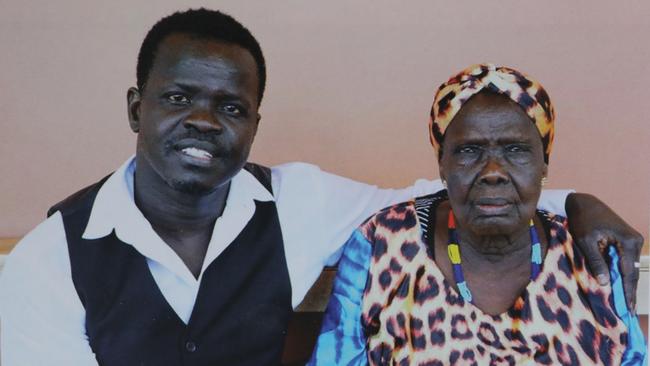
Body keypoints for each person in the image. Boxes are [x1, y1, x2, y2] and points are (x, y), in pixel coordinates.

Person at [0, 9, 643, 366]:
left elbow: (459, 188)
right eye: (178, 98)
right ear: (137, 109)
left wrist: (577, 203)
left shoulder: (297, 204)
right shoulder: (50, 260)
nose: (203, 121)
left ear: (255, 123)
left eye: (230, 107)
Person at [308, 64, 646, 365]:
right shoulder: (380, 243)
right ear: (442, 165)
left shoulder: (592, 258)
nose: (493, 171)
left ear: (544, 163)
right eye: (470, 150)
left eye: (516, 150)